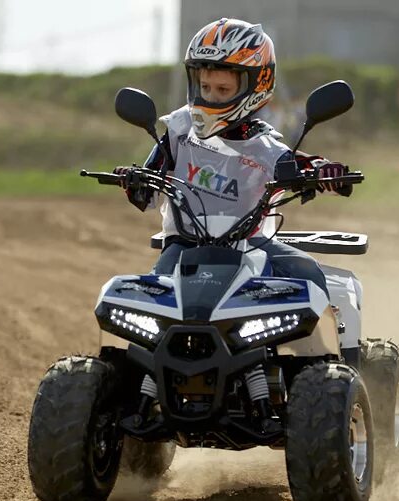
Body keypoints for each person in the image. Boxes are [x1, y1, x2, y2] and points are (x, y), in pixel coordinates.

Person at [114, 18, 352, 297]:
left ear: (256, 86)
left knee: (307, 271)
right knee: (152, 299)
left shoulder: (264, 147)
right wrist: (133, 180)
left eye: (222, 90)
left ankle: (325, 343)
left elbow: (299, 164)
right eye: (205, 88)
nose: (211, 98)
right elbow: (145, 195)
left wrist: (326, 172)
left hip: (251, 247)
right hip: (183, 246)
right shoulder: (179, 130)